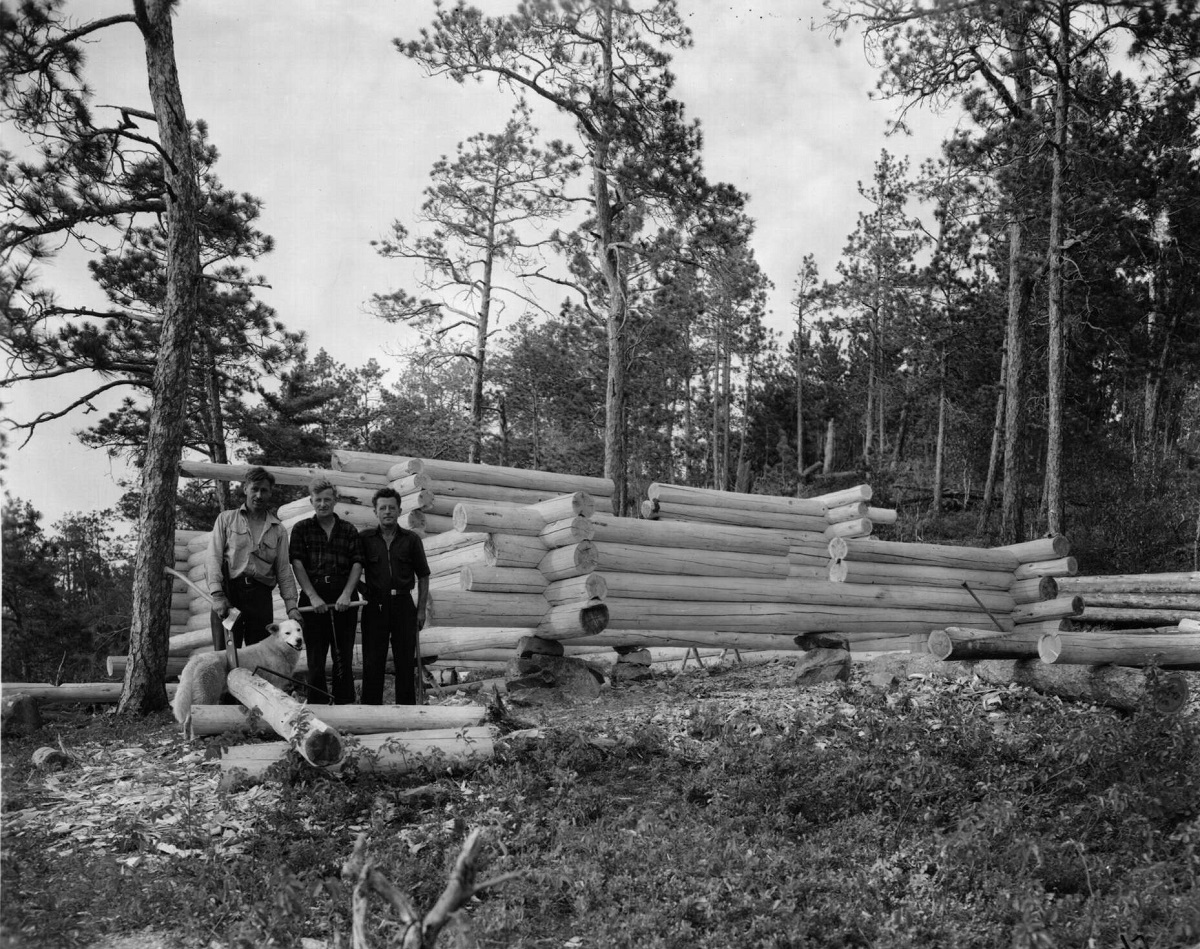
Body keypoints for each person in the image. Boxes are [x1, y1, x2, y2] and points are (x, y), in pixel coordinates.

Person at [206, 466, 302, 650]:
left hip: (260, 597)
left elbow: (283, 570)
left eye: (264, 490)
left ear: (270, 493)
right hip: (229, 594)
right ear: (245, 489)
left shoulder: (278, 529)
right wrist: (218, 595)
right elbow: (213, 558)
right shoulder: (226, 520)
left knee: (258, 654)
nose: (259, 495)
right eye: (254, 489)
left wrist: (291, 606)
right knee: (226, 654)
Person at [288, 477, 364, 705]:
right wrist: (312, 595)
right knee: (316, 658)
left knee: (343, 655)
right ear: (311, 501)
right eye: (318, 500)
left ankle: (344, 704)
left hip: (343, 595)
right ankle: (317, 706)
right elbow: (297, 563)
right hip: (313, 596)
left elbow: (357, 563)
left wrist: (346, 594)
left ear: (335, 500)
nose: (323, 504)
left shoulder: (348, 530)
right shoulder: (302, 529)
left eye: (327, 500)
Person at [358, 487, 430, 705]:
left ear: (399, 511)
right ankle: (370, 712)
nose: (387, 511)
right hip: (374, 605)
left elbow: (424, 575)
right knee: (373, 661)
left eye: (391, 507)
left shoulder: (411, 539)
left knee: (405, 661)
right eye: (382, 508)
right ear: (375, 512)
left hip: (403, 604)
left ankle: (406, 711)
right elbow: (352, 570)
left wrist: (420, 610)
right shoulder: (365, 539)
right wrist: (365, 590)